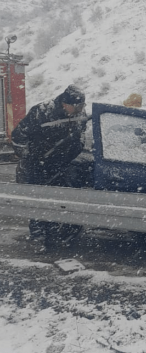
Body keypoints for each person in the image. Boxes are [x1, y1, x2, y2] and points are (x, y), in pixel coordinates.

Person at [12, 84, 88, 253]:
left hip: (60, 164)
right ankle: (37, 237)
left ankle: (53, 233)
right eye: (75, 106)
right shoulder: (42, 111)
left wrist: (71, 154)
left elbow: (81, 134)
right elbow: (18, 136)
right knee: (39, 200)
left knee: (55, 199)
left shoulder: (79, 113)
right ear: (64, 103)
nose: (78, 110)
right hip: (36, 164)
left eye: (81, 106)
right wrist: (30, 157)